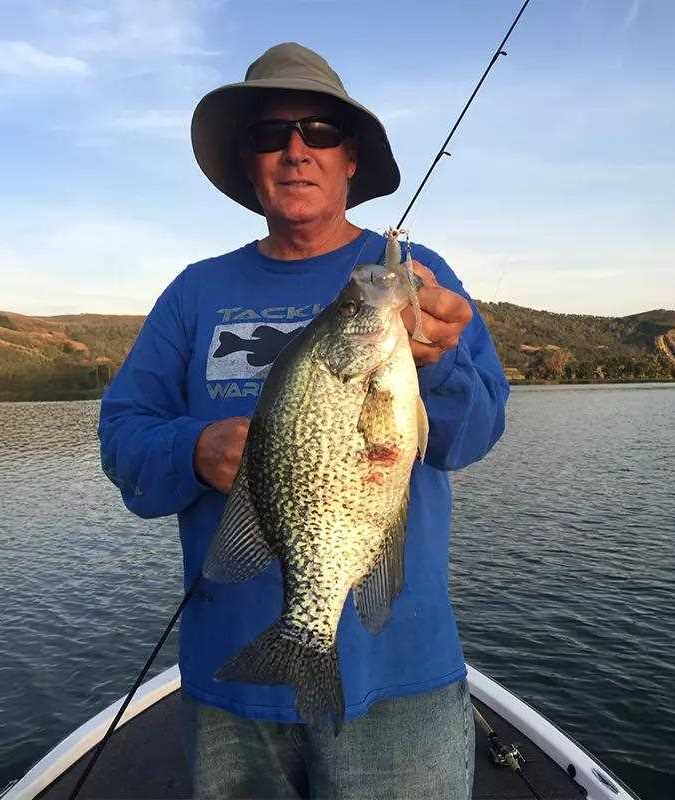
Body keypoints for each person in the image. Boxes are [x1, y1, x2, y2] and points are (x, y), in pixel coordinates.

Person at [98, 42, 510, 799]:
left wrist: (441, 361)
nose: (296, 150)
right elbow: (122, 436)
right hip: (233, 684)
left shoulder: (418, 280)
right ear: (248, 163)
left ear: (350, 157)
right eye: (270, 134)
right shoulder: (195, 293)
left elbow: (476, 431)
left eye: (319, 131)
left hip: (402, 678)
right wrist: (193, 449)